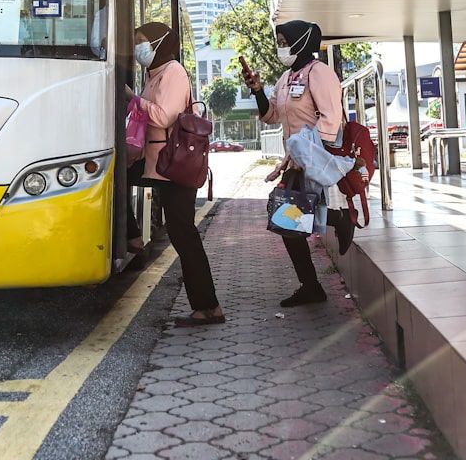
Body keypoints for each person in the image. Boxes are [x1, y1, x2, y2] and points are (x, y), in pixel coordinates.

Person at [243, 20, 356, 307]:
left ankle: (340, 222)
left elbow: (331, 117)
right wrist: (258, 91)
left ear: (301, 41)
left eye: (284, 42)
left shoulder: (320, 73)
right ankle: (313, 281)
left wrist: (309, 152)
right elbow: (271, 115)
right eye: (279, 42)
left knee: (287, 217)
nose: (281, 47)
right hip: (295, 160)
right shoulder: (286, 78)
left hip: (315, 157)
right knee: (287, 220)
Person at [126, 22, 224, 326]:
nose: (137, 48)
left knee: (184, 235)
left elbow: (164, 116)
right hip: (157, 163)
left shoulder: (173, 72)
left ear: (159, 43)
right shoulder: (154, 74)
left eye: (142, 41)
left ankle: (208, 307)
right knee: (116, 180)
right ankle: (132, 237)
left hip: (174, 165)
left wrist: (133, 99)